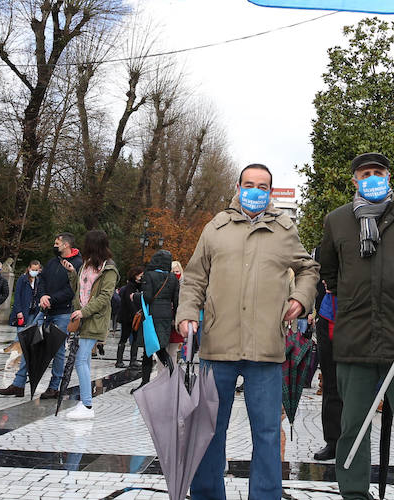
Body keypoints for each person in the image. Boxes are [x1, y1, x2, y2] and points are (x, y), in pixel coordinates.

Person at [177, 162, 320, 500]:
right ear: (238, 186)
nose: (255, 191)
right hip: (218, 344)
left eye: (262, 186)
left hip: (266, 347)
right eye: (249, 184)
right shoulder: (216, 227)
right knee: (209, 430)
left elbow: (308, 269)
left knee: (268, 432)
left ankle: (266, 496)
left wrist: (300, 298)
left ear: (270, 192)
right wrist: (186, 313)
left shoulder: (284, 229)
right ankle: (208, 494)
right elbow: (195, 276)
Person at [320, 151, 394, 500]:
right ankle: (354, 491)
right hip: (354, 338)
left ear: (388, 177)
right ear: (354, 180)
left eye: (378, 171)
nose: (371, 177)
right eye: (364, 173)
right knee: (352, 425)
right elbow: (328, 271)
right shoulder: (337, 220)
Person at [0, 234, 77, 399]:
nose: (54, 245)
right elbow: (42, 281)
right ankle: (18, 384)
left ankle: (54, 386)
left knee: (59, 350)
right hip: (45, 310)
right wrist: (42, 296)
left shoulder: (76, 263)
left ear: (66, 245)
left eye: (57, 243)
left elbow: (72, 289)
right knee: (29, 344)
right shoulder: (52, 261)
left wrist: (51, 298)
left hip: (63, 312)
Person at [62, 229, 119, 419]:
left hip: (94, 320)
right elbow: (79, 290)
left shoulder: (108, 269)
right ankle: (85, 403)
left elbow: (104, 297)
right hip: (81, 319)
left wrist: (84, 311)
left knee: (80, 359)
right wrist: (72, 273)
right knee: (83, 360)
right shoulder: (85, 265)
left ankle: (86, 405)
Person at [312, 245, 342, 461]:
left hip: (358, 319)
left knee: (356, 385)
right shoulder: (324, 248)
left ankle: (354, 440)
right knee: (330, 383)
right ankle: (332, 441)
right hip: (329, 316)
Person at [137, 248, 180, 387]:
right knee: (162, 346)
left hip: (151, 315)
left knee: (149, 349)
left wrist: (136, 297)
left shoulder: (149, 276)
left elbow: (148, 297)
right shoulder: (173, 278)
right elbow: (176, 300)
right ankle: (171, 377)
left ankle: (145, 382)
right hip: (167, 315)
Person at [116, 266, 144, 369]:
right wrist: (136, 313)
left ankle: (133, 360)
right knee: (124, 337)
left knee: (135, 338)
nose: (142, 277)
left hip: (135, 316)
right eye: (140, 275)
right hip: (127, 317)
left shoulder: (139, 286)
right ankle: (119, 360)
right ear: (135, 276)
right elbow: (129, 301)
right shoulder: (130, 287)